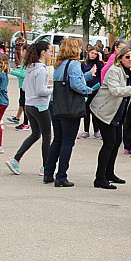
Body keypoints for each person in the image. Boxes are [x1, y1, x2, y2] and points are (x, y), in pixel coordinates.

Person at [91, 46, 131, 189]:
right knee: (109, 142)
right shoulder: (114, 71)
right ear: (120, 58)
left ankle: (109, 173)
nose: (130, 60)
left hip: (118, 111)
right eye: (127, 57)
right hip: (103, 110)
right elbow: (116, 91)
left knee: (116, 142)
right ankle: (99, 178)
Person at [43, 38, 94, 187]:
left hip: (56, 104)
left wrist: (88, 76)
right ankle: (61, 176)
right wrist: (89, 90)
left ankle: (48, 172)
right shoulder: (74, 64)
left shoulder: (59, 64)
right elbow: (76, 84)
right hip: (69, 107)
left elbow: (69, 80)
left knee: (57, 139)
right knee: (67, 141)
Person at [6, 41, 53, 176]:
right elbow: (40, 91)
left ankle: (16, 159)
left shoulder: (30, 67)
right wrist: (52, 90)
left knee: (35, 134)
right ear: (43, 52)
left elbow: (25, 87)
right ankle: (46, 167)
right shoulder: (41, 70)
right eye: (50, 51)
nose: (51, 54)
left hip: (29, 105)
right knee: (46, 136)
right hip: (40, 106)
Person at [79, 48, 103, 139]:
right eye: (92, 53)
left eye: (96, 54)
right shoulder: (83, 64)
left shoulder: (98, 64)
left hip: (96, 89)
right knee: (86, 111)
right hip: (86, 89)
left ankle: (96, 131)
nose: (93, 55)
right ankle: (86, 130)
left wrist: (100, 60)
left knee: (95, 111)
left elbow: (102, 72)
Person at [8, 44, 29, 130]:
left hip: (25, 86)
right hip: (22, 85)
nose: (20, 52)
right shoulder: (24, 61)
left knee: (24, 104)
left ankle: (26, 123)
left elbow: (23, 74)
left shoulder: (27, 62)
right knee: (22, 102)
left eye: (21, 50)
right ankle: (19, 118)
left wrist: (11, 71)